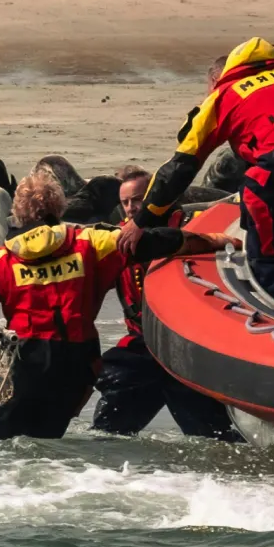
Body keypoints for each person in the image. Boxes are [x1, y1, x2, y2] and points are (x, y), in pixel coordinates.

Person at [0, 174, 237, 449]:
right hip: (77, 366)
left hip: (25, 361)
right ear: (59, 207)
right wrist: (214, 239)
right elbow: (157, 241)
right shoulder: (92, 241)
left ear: (18, 214)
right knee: (45, 444)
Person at [128, 38, 274, 314]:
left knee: (270, 258)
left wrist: (142, 221)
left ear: (216, 80)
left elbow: (181, 165)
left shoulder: (223, 95)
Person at [91, 172, 244, 442]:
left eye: (138, 200)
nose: (131, 208)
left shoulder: (195, 229)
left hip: (184, 349)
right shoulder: (115, 239)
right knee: (107, 438)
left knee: (216, 440)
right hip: (141, 349)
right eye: (125, 202)